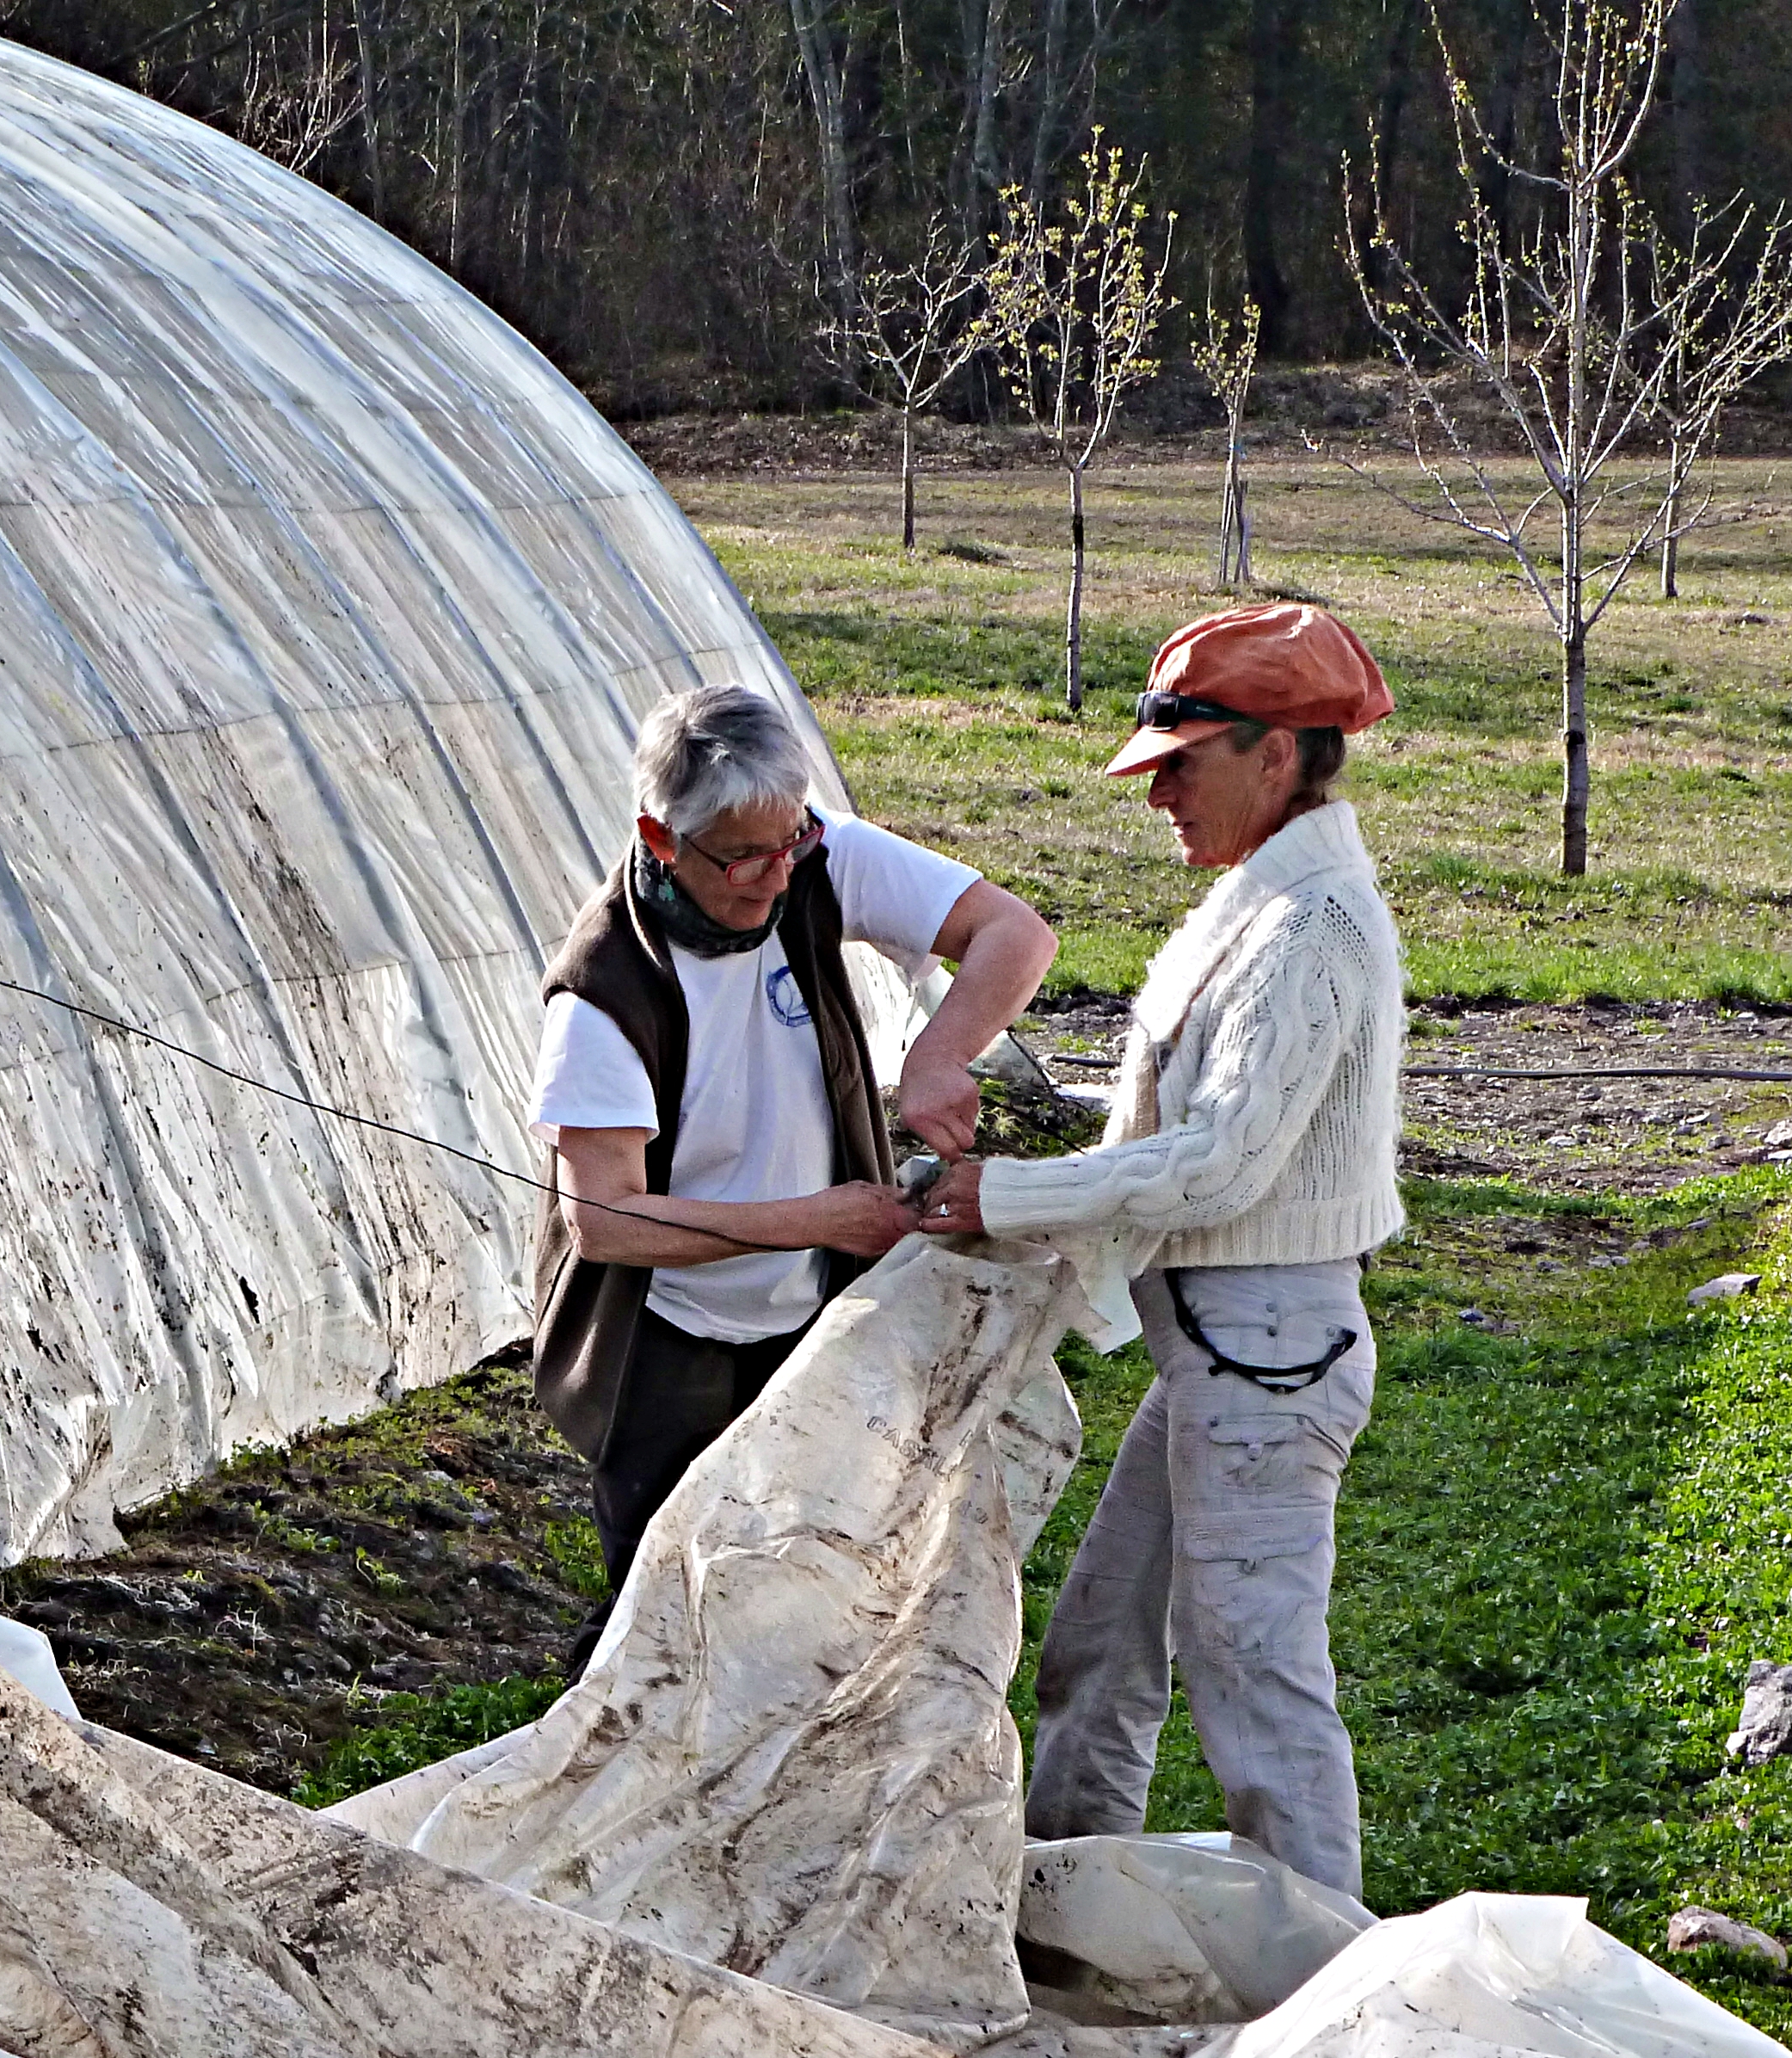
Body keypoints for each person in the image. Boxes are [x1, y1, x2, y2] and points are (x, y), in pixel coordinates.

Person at [910, 603, 1402, 1897]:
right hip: (1224, 1347)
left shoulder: (1315, 931)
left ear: (1277, 756)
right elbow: (1185, 1124)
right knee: (1103, 1642)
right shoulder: (1258, 905)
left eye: (1183, 766)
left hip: (1267, 1358)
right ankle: (1062, 1911)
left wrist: (1004, 1195)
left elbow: (1224, 1163)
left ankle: (1326, 1987)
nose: (1160, 797)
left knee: (1254, 1670)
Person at [533, 682, 1056, 1663]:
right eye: (742, 860)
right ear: (660, 838)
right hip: (667, 1338)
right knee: (667, 1615)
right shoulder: (603, 997)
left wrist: (939, 1057)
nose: (775, 880)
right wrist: (818, 1218)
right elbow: (604, 1221)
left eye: (790, 845)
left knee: (816, 1589)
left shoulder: (817, 858)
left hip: (813, 1316)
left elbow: (1015, 937)